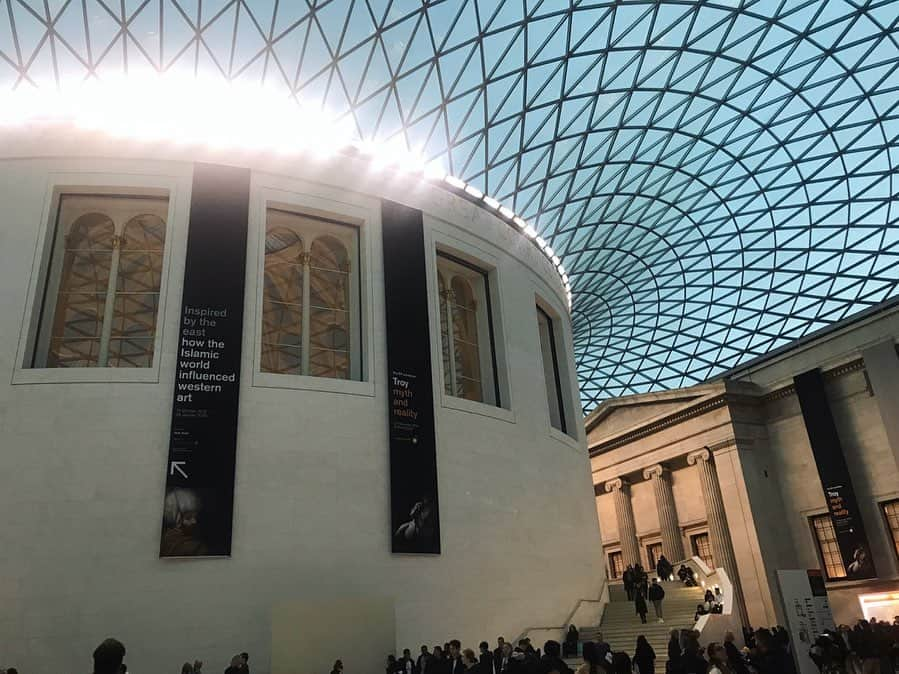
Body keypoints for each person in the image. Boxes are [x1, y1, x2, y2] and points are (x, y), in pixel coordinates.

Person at [161, 488, 208, 556]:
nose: (194, 521)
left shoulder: (165, 538)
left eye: (195, 516)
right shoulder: (196, 548)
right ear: (176, 520)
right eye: (188, 518)